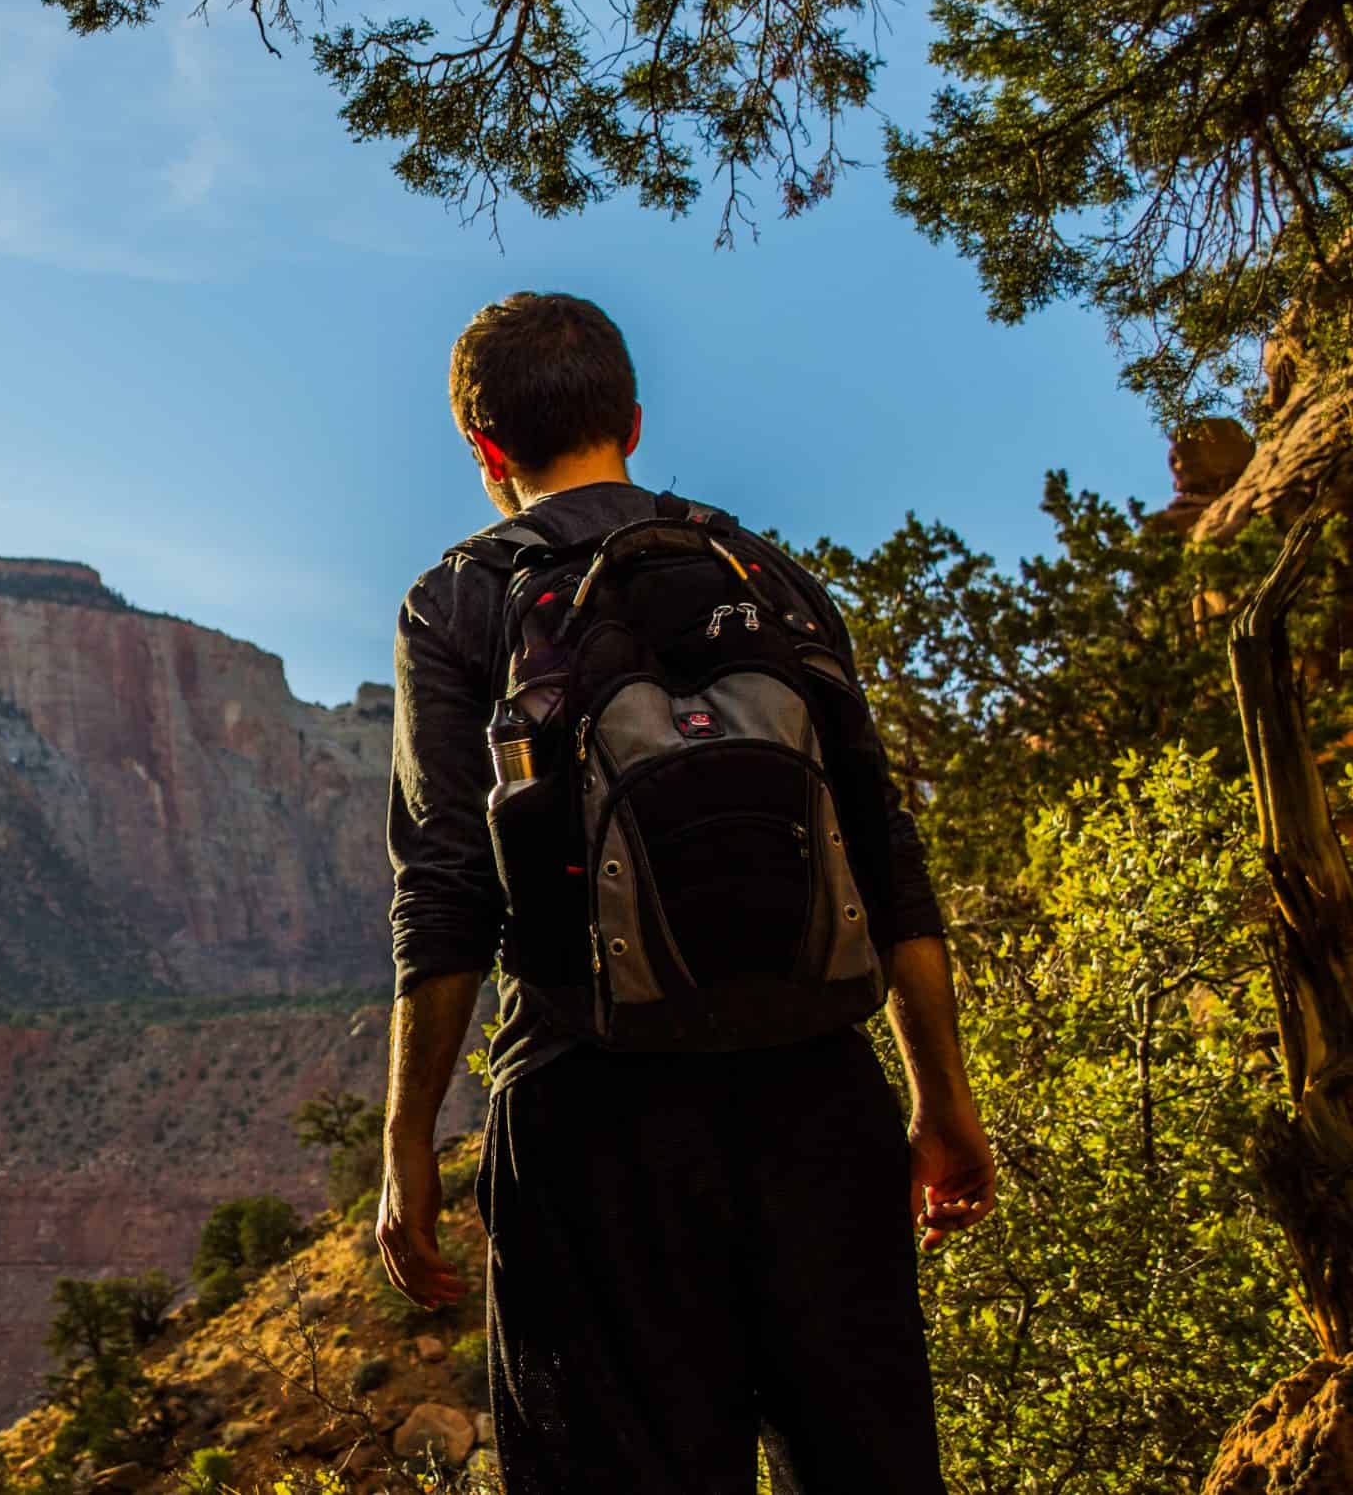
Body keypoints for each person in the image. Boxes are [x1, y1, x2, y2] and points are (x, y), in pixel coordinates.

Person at [374, 292, 995, 1494]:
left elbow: (445, 890)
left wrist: (408, 1144)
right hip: (819, 1098)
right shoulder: (770, 576)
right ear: (634, 422)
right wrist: (939, 1105)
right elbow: (885, 855)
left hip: (591, 1118)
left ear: (483, 448)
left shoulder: (460, 600)